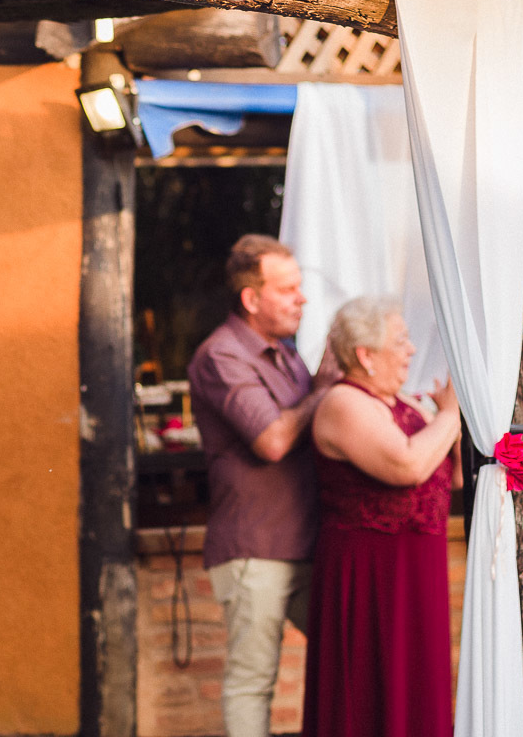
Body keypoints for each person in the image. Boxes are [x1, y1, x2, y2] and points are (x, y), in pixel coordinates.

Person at [187, 234, 337, 737]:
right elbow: (272, 440)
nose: (303, 298)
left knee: (348, 652)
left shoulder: (286, 352)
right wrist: (323, 390)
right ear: (252, 299)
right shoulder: (221, 355)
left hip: (304, 542)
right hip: (255, 550)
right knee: (253, 682)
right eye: (288, 289)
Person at [302, 296, 461, 737]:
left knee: (418, 681)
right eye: (401, 340)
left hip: (418, 567)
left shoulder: (407, 405)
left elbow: (453, 473)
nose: (411, 350)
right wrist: (450, 413)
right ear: (365, 356)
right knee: (370, 687)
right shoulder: (344, 403)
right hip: (370, 570)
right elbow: (407, 466)